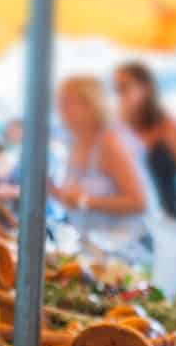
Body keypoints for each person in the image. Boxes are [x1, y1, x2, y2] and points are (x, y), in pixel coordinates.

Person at [50, 76, 148, 249]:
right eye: (60, 103)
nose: (62, 109)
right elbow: (73, 199)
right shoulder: (75, 141)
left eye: (68, 102)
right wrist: (53, 191)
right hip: (89, 244)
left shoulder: (111, 144)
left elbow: (139, 202)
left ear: (92, 104)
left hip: (122, 248)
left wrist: (85, 201)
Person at [113, 62, 176, 220]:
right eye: (116, 89)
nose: (119, 94)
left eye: (124, 87)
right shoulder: (116, 126)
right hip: (127, 220)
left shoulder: (170, 127)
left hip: (165, 216)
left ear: (145, 88)